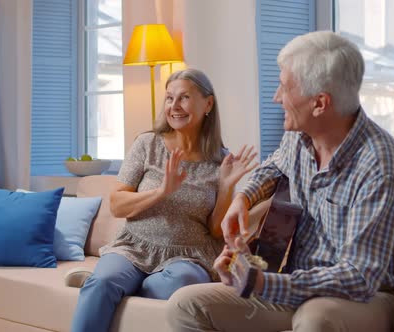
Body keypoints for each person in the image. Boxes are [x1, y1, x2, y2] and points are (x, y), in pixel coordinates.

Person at [166, 31, 394, 332]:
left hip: (370, 297)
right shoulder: (299, 137)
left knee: (316, 318)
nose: (276, 97)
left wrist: (261, 281)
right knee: (185, 305)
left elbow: (359, 277)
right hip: (297, 282)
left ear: (320, 103)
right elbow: (273, 167)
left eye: (285, 88)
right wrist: (242, 200)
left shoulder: (381, 165)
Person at [70, 68, 258, 332]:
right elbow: (117, 203)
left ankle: (127, 286)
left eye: (184, 98)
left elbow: (216, 229)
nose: (174, 106)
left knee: (179, 284)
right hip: (134, 247)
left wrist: (227, 187)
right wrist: (161, 192)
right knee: (103, 282)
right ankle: (112, 283)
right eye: (169, 98)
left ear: (208, 103)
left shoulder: (220, 160)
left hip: (189, 256)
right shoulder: (147, 144)